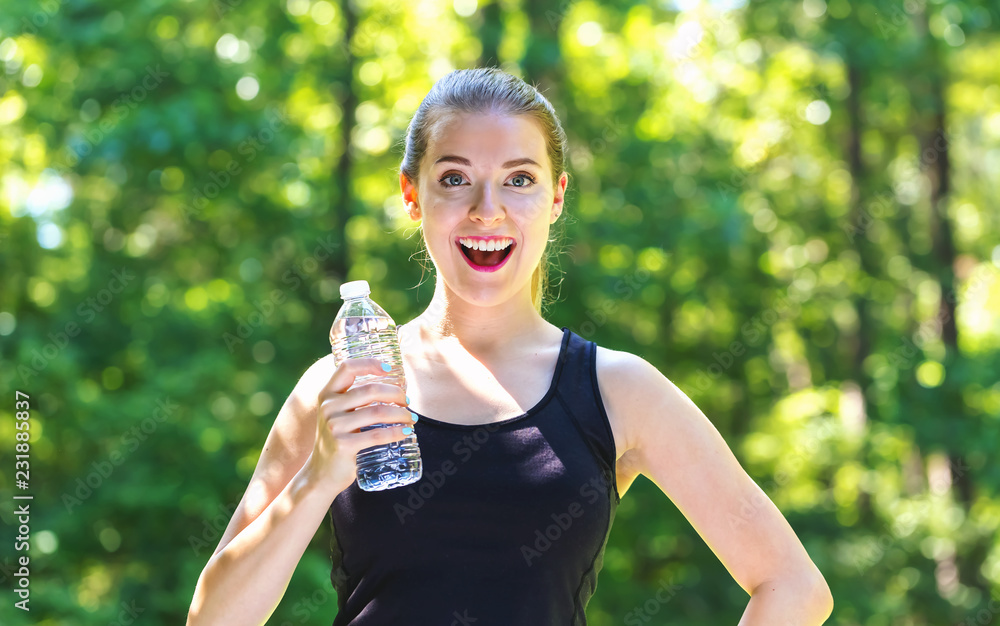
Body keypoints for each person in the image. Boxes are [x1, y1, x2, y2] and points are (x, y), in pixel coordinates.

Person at [186, 67, 833, 625]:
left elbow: (794, 586)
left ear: (556, 197)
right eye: (455, 179)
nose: (487, 210)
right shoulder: (344, 385)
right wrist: (318, 476)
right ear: (412, 194)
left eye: (519, 179)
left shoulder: (617, 391)